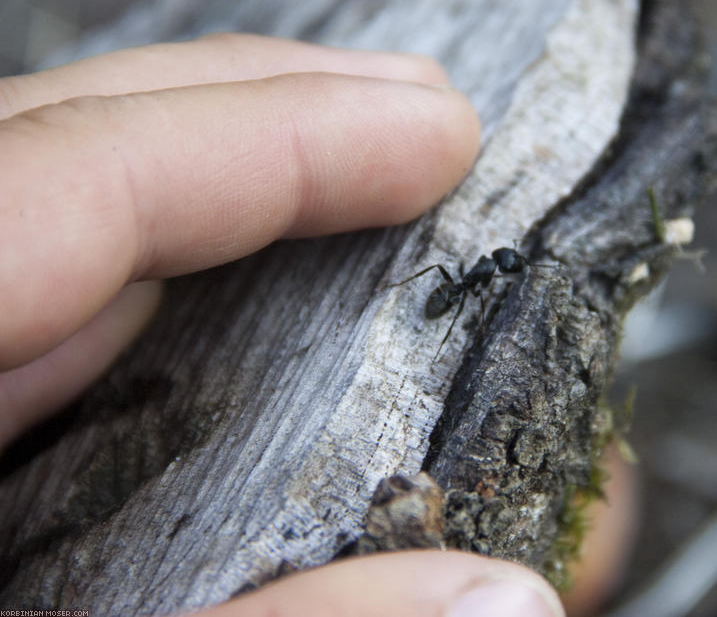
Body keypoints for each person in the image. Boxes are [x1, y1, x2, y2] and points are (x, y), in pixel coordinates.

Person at [0, 33, 565, 617]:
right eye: (508, 264)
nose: (503, 268)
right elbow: (477, 277)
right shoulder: (479, 274)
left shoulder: (485, 270)